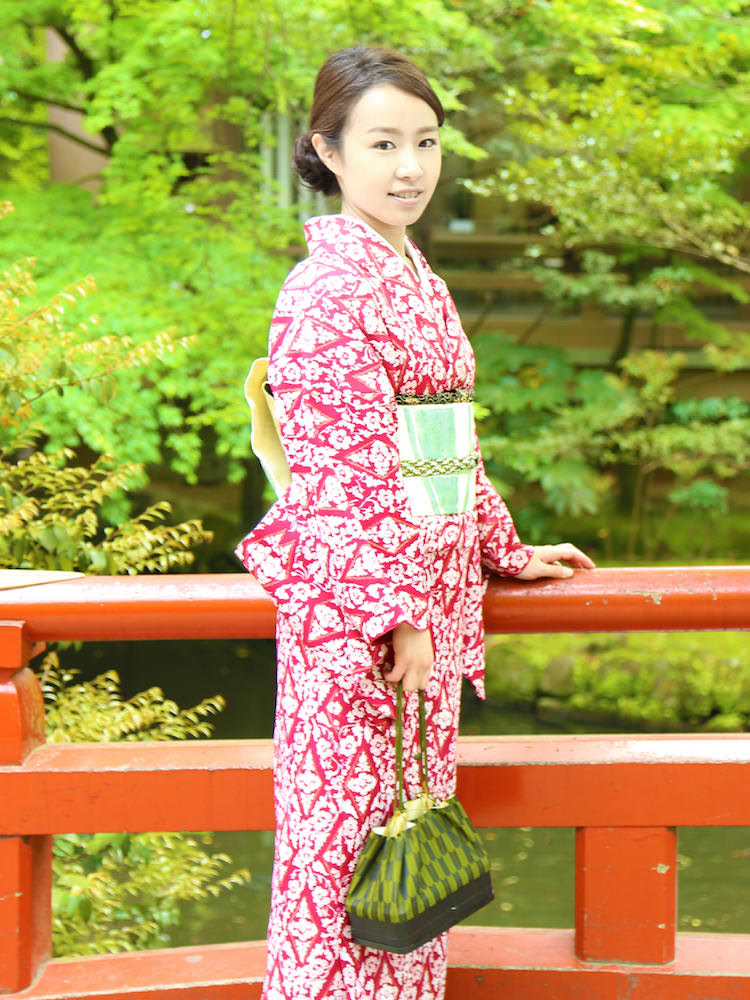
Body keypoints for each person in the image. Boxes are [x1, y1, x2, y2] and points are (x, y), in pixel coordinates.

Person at [235, 45, 595, 1000]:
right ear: (329, 150)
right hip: (361, 624)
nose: (410, 167)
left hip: (418, 617)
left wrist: (503, 549)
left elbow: (444, 449)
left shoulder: (410, 270)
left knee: (407, 861)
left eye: (426, 142)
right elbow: (343, 469)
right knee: (346, 859)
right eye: (383, 143)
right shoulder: (328, 290)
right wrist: (397, 612)